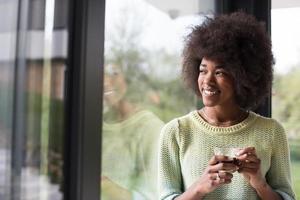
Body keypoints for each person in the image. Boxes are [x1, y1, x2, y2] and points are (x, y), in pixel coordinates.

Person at [158, 11, 296, 200]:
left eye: (220, 72)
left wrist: (259, 183)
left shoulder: (272, 132)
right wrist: (199, 187)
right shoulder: (176, 132)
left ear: (242, 77)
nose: (207, 81)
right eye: (202, 70)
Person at [101, 64, 164, 199]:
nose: (105, 81)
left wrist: (103, 185)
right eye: (101, 73)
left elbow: (152, 196)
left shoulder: (151, 129)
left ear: (129, 79)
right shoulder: (93, 123)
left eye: (114, 73)